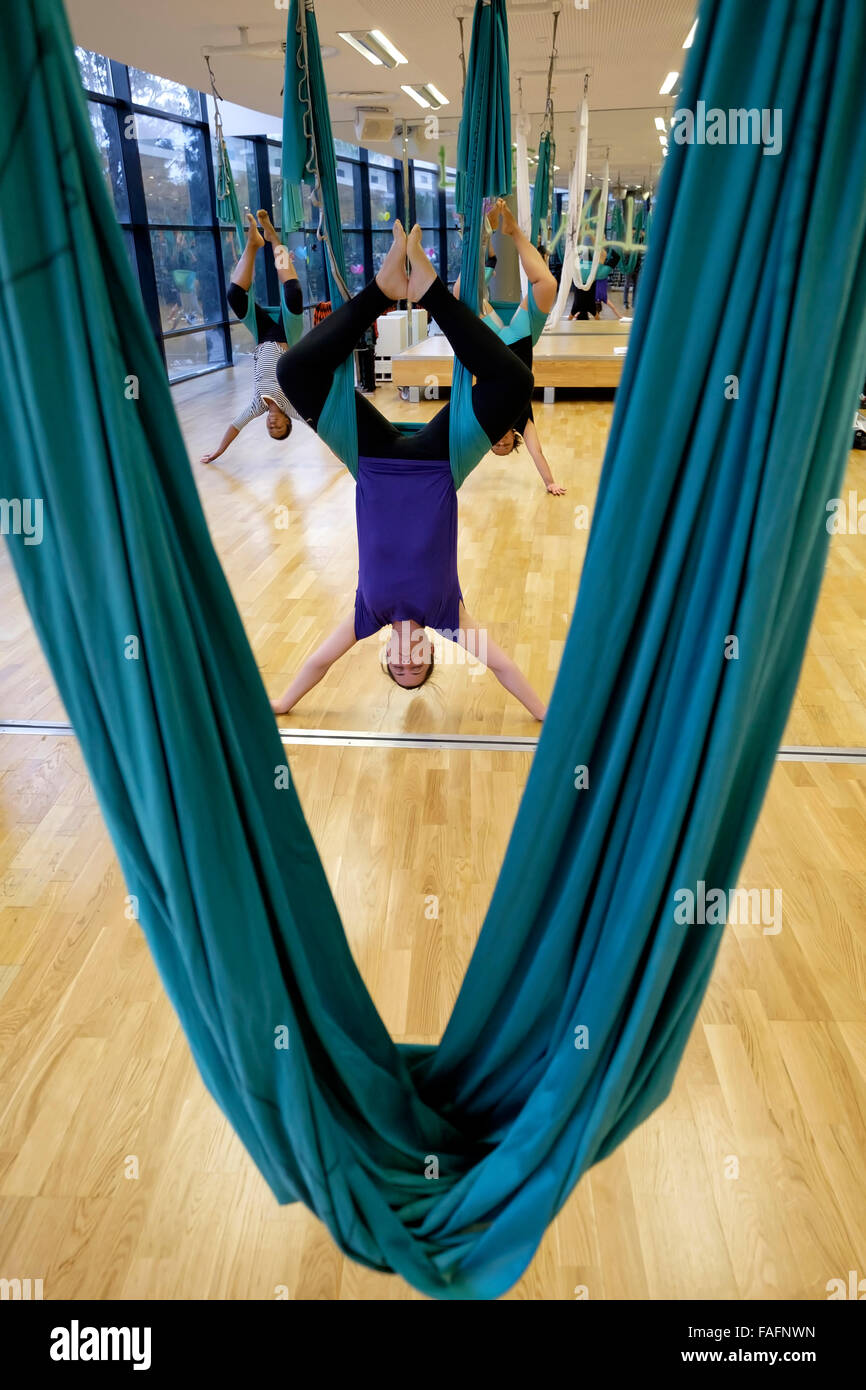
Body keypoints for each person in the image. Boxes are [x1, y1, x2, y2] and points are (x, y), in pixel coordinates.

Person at [270, 221, 546, 720]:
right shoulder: (449, 618)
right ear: (430, 653)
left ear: (388, 657)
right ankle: (430, 293)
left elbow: (317, 663)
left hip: (371, 460)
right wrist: (545, 713)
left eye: (400, 668)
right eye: (418, 666)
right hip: (441, 464)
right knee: (515, 382)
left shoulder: (365, 618)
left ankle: (383, 290)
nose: (408, 659)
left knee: (291, 374)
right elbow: (503, 669)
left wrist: (283, 702)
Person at [454, 200, 565, 494]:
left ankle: (473, 239)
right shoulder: (522, 419)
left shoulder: (482, 418)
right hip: (518, 339)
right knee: (547, 285)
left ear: (489, 440)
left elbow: (458, 445)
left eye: (496, 445)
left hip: (489, 342)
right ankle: (514, 232)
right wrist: (550, 482)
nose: (501, 442)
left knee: (459, 294)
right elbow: (537, 452)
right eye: (506, 445)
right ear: (513, 438)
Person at [200, 211, 303, 465]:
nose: (272, 424)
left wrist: (218, 451)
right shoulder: (290, 406)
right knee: (292, 292)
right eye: (279, 428)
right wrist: (342, 452)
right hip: (286, 335)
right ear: (288, 422)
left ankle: (255, 243)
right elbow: (320, 429)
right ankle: (273, 237)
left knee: (234, 295)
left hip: (262, 335)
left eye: (270, 429)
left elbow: (235, 426)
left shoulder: (257, 405)